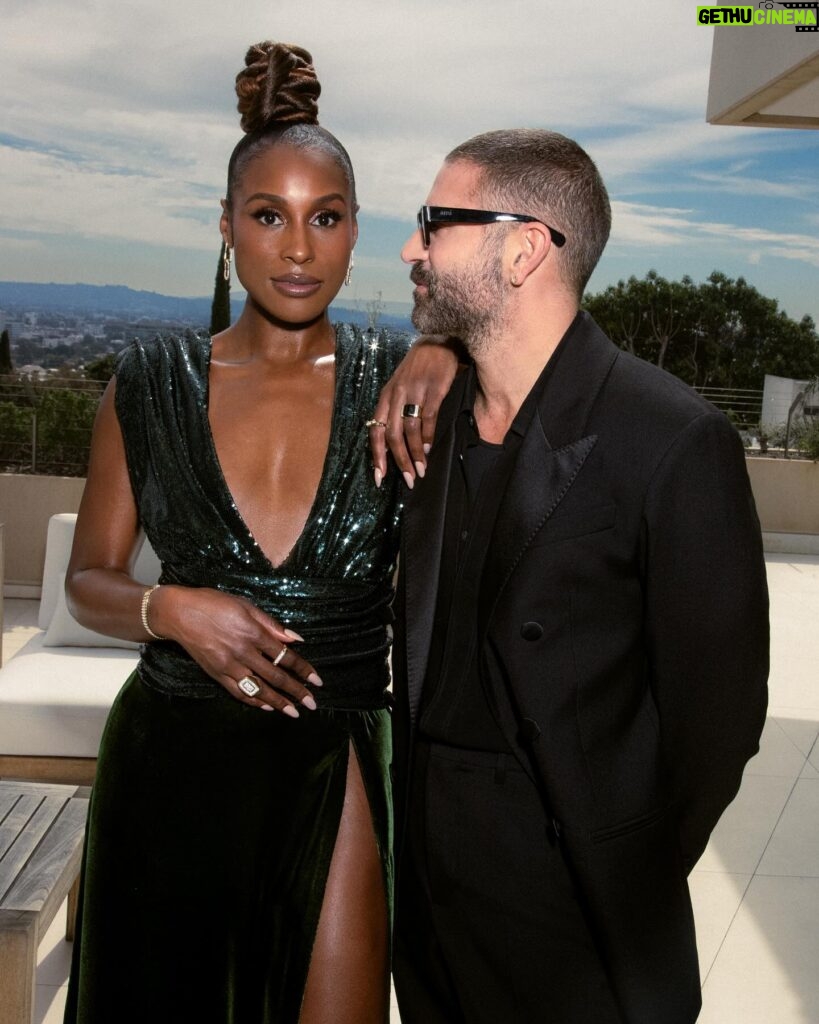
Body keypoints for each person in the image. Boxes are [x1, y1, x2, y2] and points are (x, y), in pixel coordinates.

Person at [63, 41, 456, 1024]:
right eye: (268, 216)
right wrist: (171, 607)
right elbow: (89, 581)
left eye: (324, 217)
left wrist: (454, 347)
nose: (296, 247)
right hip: (170, 764)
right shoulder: (145, 386)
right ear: (227, 227)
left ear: (357, 231)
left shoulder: (403, 386)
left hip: (337, 756)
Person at [386, 129, 770, 1024]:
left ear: (521, 248)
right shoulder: (429, 422)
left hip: (578, 932)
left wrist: (609, 859)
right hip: (433, 911)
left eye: (435, 222)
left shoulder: (671, 440)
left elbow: (716, 723)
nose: (410, 247)